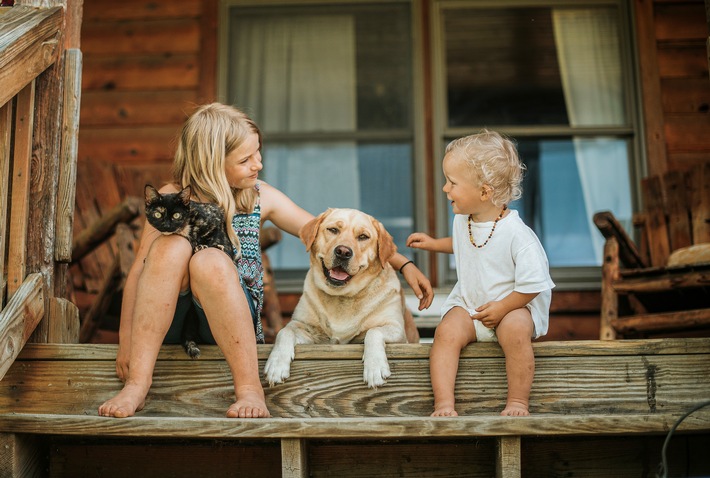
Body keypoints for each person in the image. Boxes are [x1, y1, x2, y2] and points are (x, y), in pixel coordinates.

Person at [98, 102, 433, 419]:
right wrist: (126, 343)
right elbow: (139, 275)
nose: (258, 164)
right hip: (167, 323)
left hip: (229, 323)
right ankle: (138, 385)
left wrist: (403, 264)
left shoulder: (261, 197)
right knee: (169, 249)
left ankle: (249, 389)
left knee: (209, 261)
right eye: (246, 159)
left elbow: (327, 233)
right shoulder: (171, 198)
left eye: (259, 153)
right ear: (213, 161)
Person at [406, 130, 554, 417]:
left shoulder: (517, 235)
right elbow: (467, 244)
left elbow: (534, 284)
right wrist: (434, 244)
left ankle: (518, 402)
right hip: (471, 303)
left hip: (512, 305)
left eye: (452, 182)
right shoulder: (464, 220)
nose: (445, 188)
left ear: (484, 192)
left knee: (514, 330)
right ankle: (444, 403)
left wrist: (502, 308)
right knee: (446, 332)